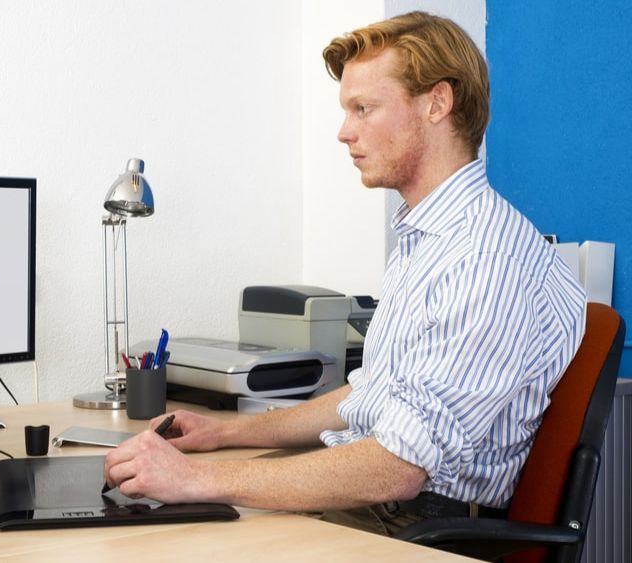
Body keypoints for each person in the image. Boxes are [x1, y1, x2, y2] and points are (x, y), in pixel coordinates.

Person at [103, 11, 587, 536]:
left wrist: (197, 479)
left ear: (437, 103)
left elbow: (397, 467)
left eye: (364, 108)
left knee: (162, 537)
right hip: (383, 501)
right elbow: (369, 395)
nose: (344, 132)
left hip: (412, 525)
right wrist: (221, 436)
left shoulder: (483, 259)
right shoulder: (430, 239)